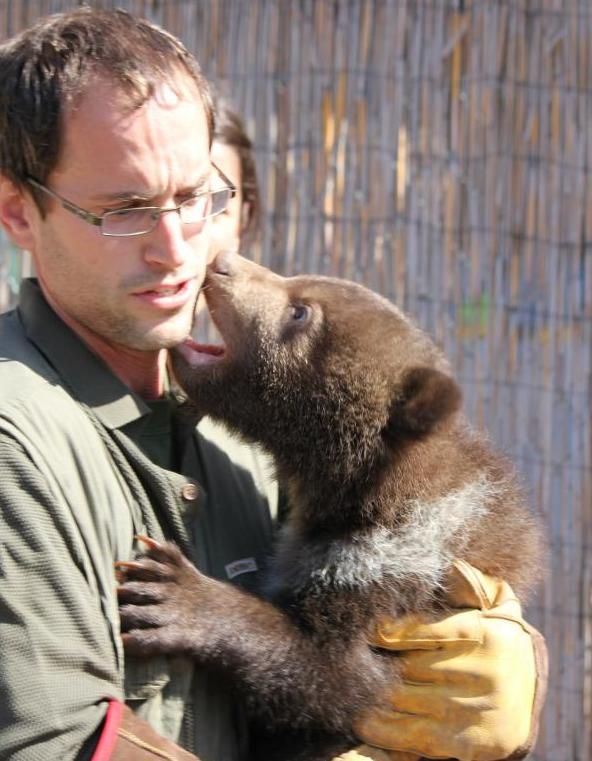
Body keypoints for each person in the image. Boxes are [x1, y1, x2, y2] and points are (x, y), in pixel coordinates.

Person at [0, 7, 546, 761]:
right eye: (125, 211)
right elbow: (52, 743)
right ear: (17, 212)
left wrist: (515, 672)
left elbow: (363, 643)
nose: (177, 248)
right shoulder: (19, 441)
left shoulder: (247, 415)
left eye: (195, 197)